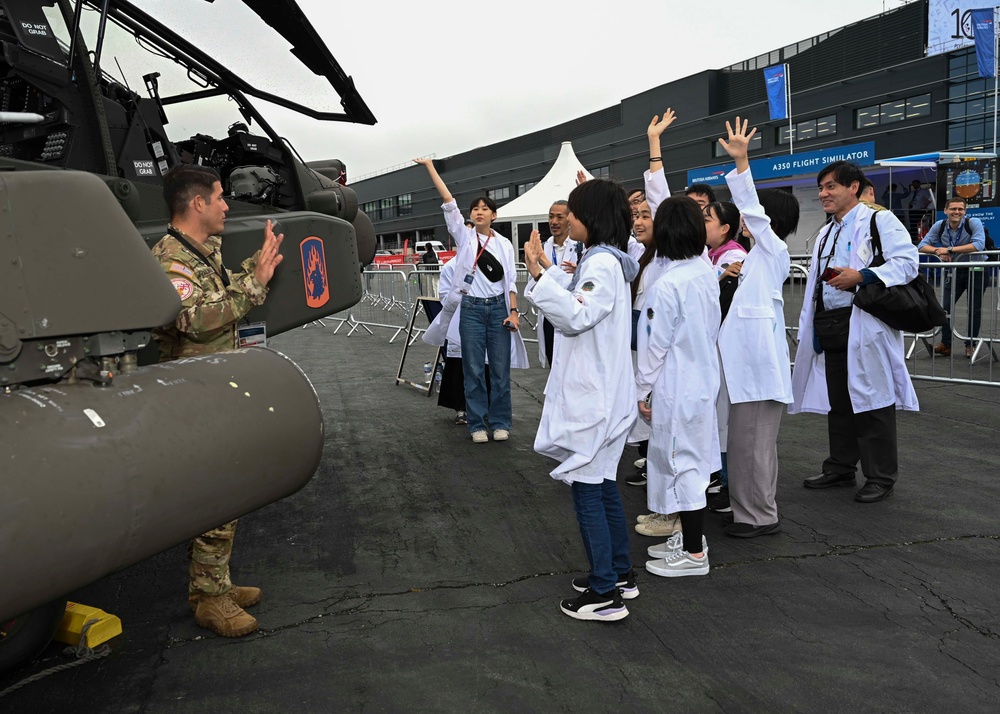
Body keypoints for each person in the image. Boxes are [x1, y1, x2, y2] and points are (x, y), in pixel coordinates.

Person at [152, 164, 284, 637]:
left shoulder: (198, 252)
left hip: (211, 386)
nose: (227, 204)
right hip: (193, 395)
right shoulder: (171, 259)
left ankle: (214, 584)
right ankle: (210, 600)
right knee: (216, 493)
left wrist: (257, 268)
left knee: (222, 493)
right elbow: (193, 320)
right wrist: (256, 285)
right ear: (198, 204)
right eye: (220, 196)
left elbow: (221, 295)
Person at [524, 178, 640, 621]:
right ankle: (618, 573)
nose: (565, 219)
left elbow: (575, 314)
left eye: (571, 211)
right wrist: (547, 272)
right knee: (604, 484)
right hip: (607, 395)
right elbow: (577, 300)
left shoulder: (603, 265)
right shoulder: (604, 261)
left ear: (589, 217)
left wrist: (537, 272)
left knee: (588, 490)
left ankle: (603, 593)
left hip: (599, 401)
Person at [793, 160, 919, 503]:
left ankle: (880, 476)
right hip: (832, 324)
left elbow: (907, 262)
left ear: (853, 187)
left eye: (830, 186)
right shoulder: (826, 231)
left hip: (865, 323)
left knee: (873, 400)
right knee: (841, 400)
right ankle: (841, 466)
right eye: (821, 188)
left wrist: (861, 276)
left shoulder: (879, 220)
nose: (823, 194)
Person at [716, 117, 800, 537]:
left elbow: (752, 212)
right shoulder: (752, 260)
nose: (749, 221)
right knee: (749, 447)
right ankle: (752, 511)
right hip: (746, 372)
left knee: (752, 448)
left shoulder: (773, 250)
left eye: (759, 216)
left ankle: (757, 517)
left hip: (757, 373)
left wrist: (742, 161)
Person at [415, 158, 528, 443]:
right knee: (473, 369)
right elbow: (448, 201)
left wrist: (514, 312)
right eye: (475, 209)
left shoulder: (504, 244)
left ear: (494, 215)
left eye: (485, 209)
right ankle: (476, 423)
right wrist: (430, 167)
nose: (479, 212)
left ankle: (501, 421)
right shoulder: (464, 237)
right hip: (472, 309)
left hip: (498, 309)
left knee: (500, 371)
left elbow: (510, 283)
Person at [636, 195, 721, 577]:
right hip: (701, 380)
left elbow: (654, 345)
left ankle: (693, 554)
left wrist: (642, 389)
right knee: (692, 460)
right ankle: (691, 539)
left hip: (677, 384)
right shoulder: (704, 271)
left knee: (681, 464)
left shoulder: (668, 284)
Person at [917, 196, 986, 358]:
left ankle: (971, 345)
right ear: (946, 211)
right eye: (953, 209)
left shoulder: (972, 223)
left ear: (965, 211)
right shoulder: (940, 225)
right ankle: (946, 344)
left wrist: (949, 250)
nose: (957, 212)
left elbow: (978, 245)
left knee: (974, 310)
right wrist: (936, 251)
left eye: (960, 209)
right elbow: (921, 246)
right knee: (945, 308)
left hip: (976, 270)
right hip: (954, 271)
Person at [529, 200, 584, 368]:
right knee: (554, 365)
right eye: (551, 217)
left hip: (572, 313)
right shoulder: (543, 247)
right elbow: (533, 284)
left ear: (570, 219)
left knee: (573, 366)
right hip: (549, 316)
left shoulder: (581, 247)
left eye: (560, 217)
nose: (554, 222)